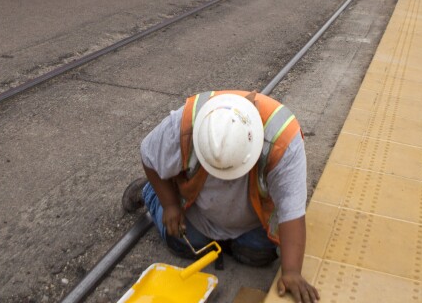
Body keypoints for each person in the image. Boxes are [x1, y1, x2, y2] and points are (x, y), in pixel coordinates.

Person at [123, 91, 319, 303]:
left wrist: (291, 272)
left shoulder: (283, 142)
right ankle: (151, 191)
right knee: (181, 243)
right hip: (198, 208)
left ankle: (224, 239)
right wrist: (170, 205)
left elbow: (292, 211)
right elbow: (148, 153)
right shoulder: (184, 125)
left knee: (259, 255)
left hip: (251, 218)